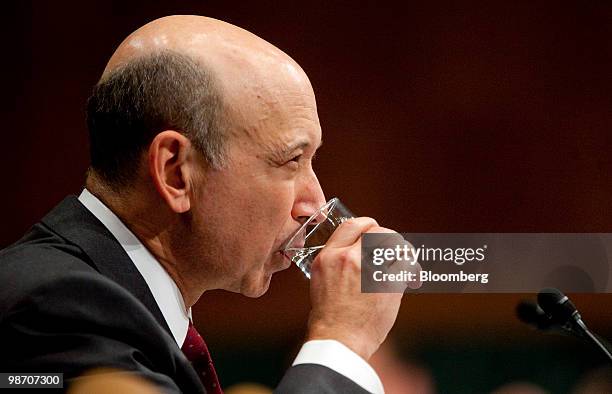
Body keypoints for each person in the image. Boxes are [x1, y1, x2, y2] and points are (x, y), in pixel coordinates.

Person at [0, 15, 404, 393]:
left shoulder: (108, 301)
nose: (312, 202)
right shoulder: (56, 310)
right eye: (290, 161)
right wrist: (341, 340)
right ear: (176, 172)